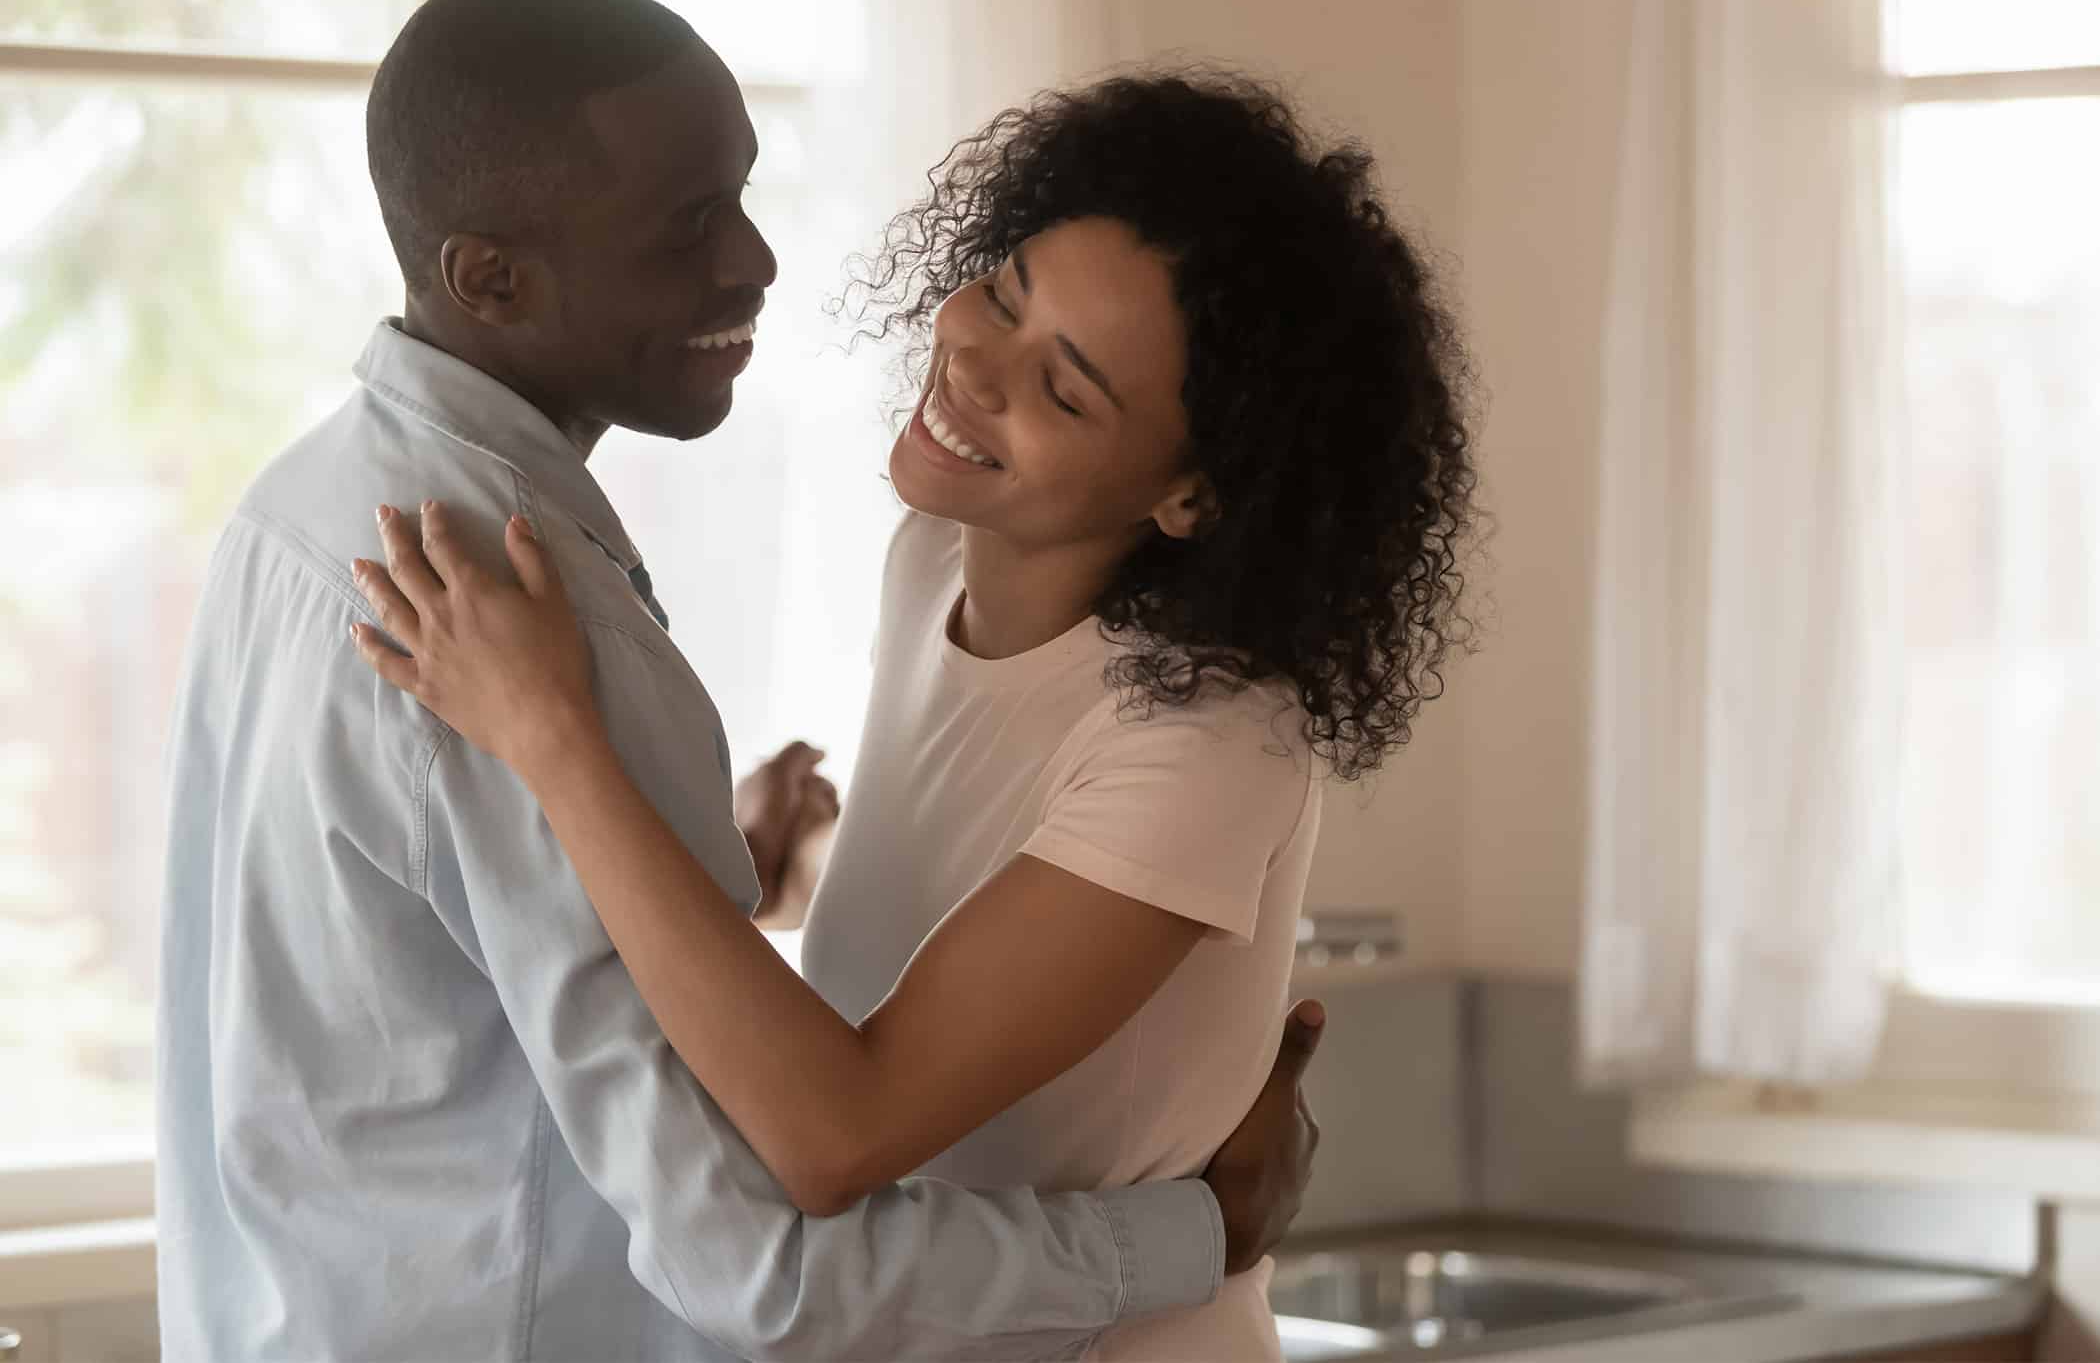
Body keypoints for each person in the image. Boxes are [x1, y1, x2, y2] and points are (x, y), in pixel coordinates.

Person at [155, 0, 1325, 1363]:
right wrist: (1199, 1228)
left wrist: (696, 852)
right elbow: (762, 1264)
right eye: (686, 225)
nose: (756, 260)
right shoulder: (528, 640)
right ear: (493, 276)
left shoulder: (298, 513)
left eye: (1069, 381)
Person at [348, 70, 1478, 1358]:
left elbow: (841, 1131)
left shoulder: (1209, 738)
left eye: (1066, 390)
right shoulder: (933, 557)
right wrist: (785, 867)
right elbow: (976, 901)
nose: (976, 362)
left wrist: (550, 735)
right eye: (1003, 293)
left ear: (1195, 495)